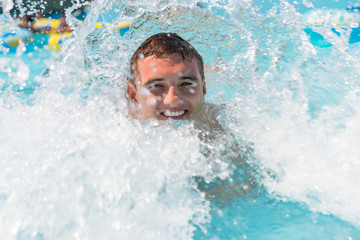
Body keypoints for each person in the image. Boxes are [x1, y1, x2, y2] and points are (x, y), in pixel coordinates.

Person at [127, 32, 219, 127]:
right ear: (134, 96)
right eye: (156, 85)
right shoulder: (118, 131)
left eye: (186, 83)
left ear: (203, 89)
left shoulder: (222, 124)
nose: (173, 100)